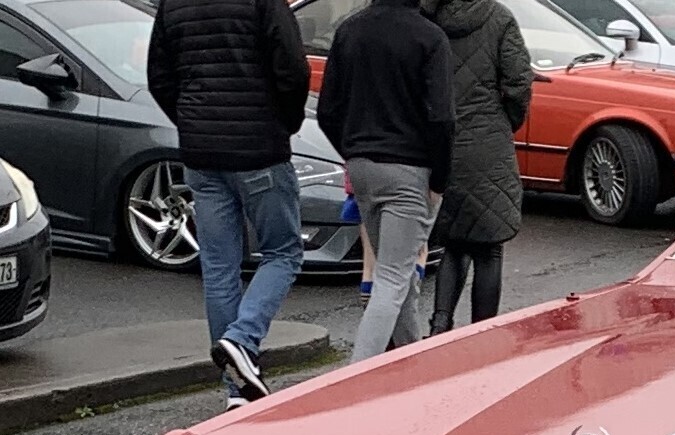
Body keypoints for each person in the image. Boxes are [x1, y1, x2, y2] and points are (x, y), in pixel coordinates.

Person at [146, 0, 309, 409]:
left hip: (202, 152)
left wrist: (192, 121)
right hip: (260, 148)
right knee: (283, 253)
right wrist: (285, 123)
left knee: (220, 268)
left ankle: (237, 388)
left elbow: (160, 77)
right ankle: (242, 339)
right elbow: (293, 69)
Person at [318, 0, 455, 363]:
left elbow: (327, 109)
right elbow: (442, 118)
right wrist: (440, 178)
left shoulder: (349, 30)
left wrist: (352, 150)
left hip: (362, 167)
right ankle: (354, 379)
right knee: (392, 278)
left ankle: (412, 364)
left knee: (397, 272)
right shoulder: (430, 37)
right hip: (410, 169)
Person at [422, 0, 532, 336]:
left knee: (453, 243)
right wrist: (504, 122)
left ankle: (440, 325)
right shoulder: (498, 18)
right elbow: (518, 82)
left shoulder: (428, 17)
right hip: (488, 141)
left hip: (443, 141)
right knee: (489, 246)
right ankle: (481, 332)